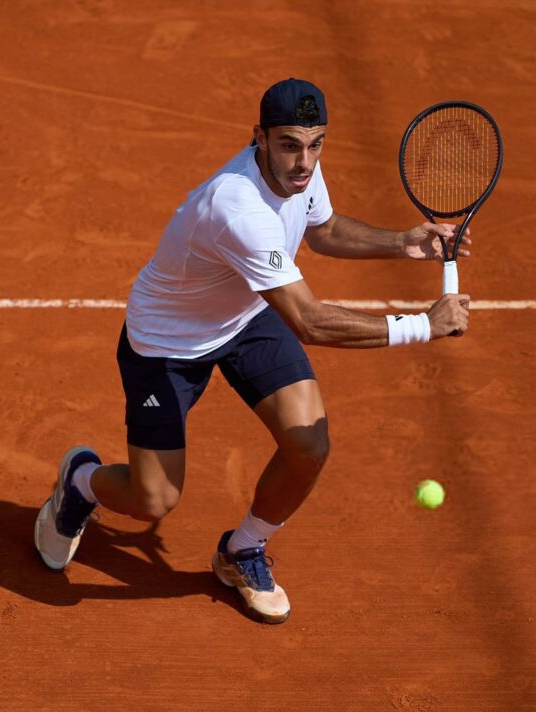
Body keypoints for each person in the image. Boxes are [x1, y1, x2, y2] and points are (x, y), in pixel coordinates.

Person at [35, 78, 471, 624]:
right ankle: (80, 481)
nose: (304, 162)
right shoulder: (238, 208)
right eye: (289, 145)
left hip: (245, 315)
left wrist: (401, 242)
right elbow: (309, 320)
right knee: (154, 500)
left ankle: (242, 550)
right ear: (259, 138)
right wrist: (422, 326)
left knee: (308, 445)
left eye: (315, 144)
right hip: (168, 344)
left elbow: (325, 230)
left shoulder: (299, 171)